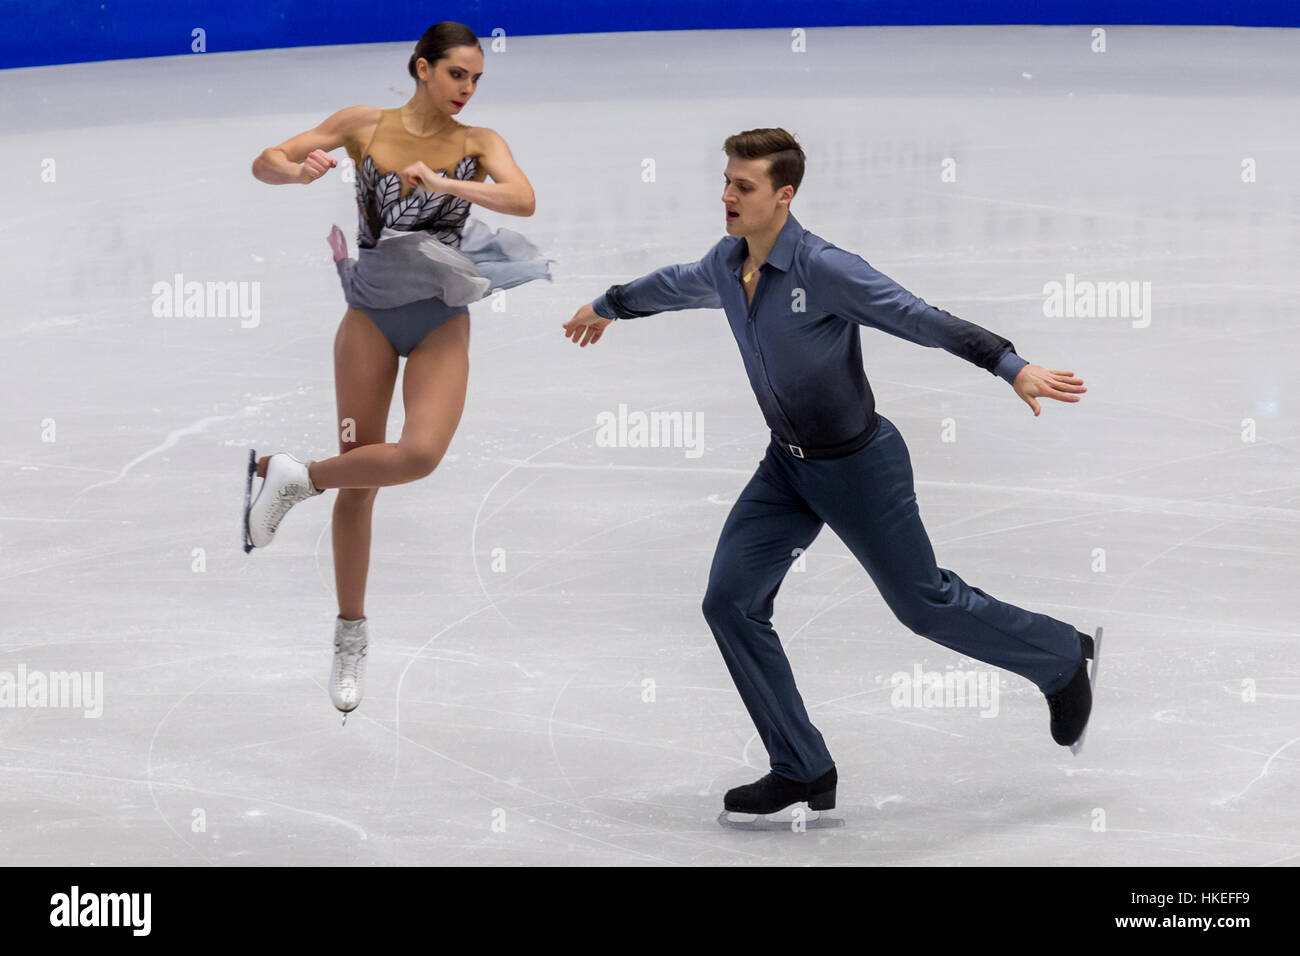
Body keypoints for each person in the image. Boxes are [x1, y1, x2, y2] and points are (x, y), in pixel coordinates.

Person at [562, 128, 1097, 821]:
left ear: (782, 197)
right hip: (785, 467)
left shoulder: (825, 269)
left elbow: (920, 317)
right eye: (726, 180)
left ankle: (1061, 656)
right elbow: (671, 285)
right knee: (729, 602)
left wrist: (1010, 364)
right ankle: (802, 767)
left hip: (859, 467)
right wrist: (608, 306)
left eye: (744, 186)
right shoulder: (727, 265)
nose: (727, 195)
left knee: (923, 604)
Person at [245, 22, 550, 721]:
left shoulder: (479, 143)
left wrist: (444, 182)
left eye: (475, 79)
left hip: (441, 317)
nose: (467, 90)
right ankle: (350, 638)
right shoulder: (364, 124)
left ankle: (297, 476)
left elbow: (523, 199)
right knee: (363, 482)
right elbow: (267, 159)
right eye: (456, 76)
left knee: (417, 455)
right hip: (370, 322)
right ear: (422, 68)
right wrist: (297, 171)